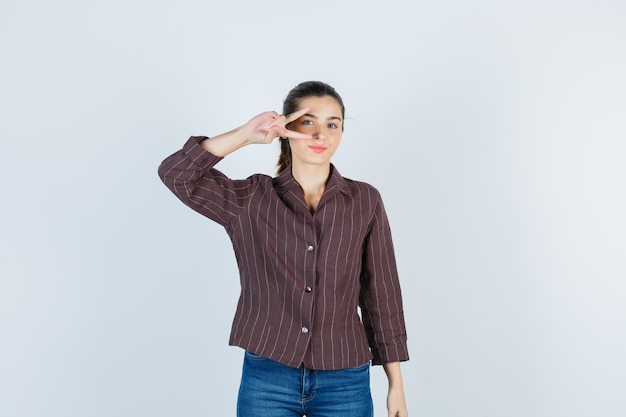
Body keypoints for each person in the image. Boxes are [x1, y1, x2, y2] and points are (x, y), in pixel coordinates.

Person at [158, 81, 409, 417]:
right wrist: (245, 135)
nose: (321, 134)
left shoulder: (364, 201)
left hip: (345, 378)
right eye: (309, 122)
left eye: (333, 124)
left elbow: (382, 295)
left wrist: (396, 386)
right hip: (268, 375)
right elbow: (177, 174)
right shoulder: (251, 199)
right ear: (287, 128)